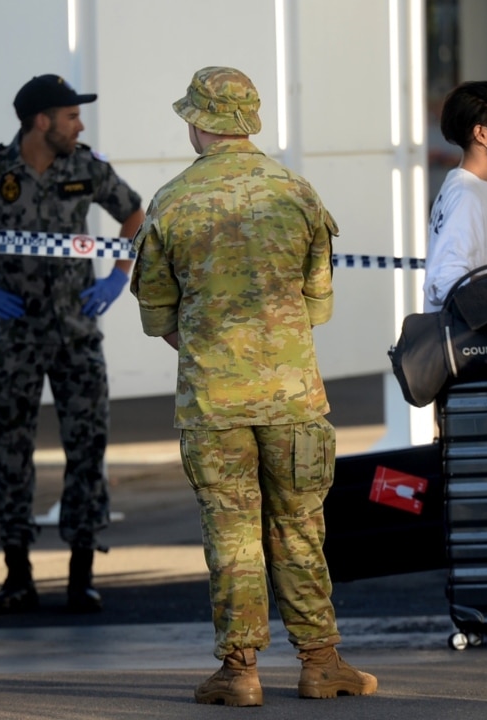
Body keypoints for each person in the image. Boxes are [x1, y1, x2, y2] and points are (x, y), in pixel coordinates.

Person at [130, 66, 377, 707]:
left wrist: (215, 348)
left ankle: (239, 672)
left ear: (198, 122)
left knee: (232, 532)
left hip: (214, 401)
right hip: (294, 396)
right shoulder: (297, 193)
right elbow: (318, 306)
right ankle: (321, 663)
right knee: (300, 528)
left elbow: (157, 316)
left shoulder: (171, 201)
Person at [0, 74, 144, 614]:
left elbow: (137, 214)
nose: (79, 124)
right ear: (41, 121)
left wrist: (118, 273)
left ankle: (81, 576)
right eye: (70, 115)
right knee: (11, 451)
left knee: (87, 451)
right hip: (16, 335)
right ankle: (16, 575)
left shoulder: (86, 166)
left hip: (77, 334)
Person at [424, 81, 487, 313]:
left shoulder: (472, 189)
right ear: (482, 134)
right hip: (466, 345)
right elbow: (444, 282)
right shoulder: (466, 197)